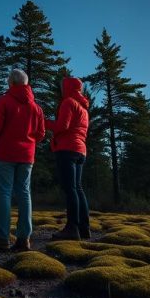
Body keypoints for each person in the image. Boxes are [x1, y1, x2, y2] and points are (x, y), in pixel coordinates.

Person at [0, 68, 45, 252]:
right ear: (26, 84)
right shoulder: (36, 108)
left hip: (5, 154)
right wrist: (28, 141)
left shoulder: (4, 101)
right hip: (27, 156)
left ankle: (2, 237)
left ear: (11, 83)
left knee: (4, 193)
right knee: (24, 193)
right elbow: (41, 134)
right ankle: (24, 239)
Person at [46, 76, 91, 240]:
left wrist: (44, 122)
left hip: (67, 149)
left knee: (70, 189)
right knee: (78, 188)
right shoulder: (84, 108)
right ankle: (84, 228)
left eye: (62, 86)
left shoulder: (68, 102)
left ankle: (72, 228)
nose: (61, 89)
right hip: (81, 150)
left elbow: (62, 126)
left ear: (67, 87)